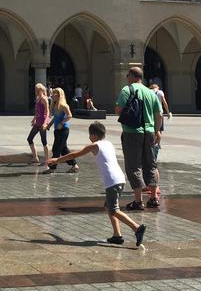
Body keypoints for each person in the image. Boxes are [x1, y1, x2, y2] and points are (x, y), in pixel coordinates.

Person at [47, 122, 146, 247]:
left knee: (113, 209)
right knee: (108, 206)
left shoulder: (94, 146)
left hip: (112, 181)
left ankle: (137, 228)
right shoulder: (109, 143)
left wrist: (57, 160)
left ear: (94, 135)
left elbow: (75, 155)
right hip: (120, 179)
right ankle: (117, 235)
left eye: (90, 135)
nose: (89, 138)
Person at [115, 66, 161, 211]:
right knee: (150, 164)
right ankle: (153, 198)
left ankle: (138, 201)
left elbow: (118, 110)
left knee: (134, 165)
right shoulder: (150, 92)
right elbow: (159, 114)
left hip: (131, 132)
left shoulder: (127, 90)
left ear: (132, 76)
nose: (126, 78)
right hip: (149, 132)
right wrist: (157, 130)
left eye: (127, 75)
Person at [44, 87, 77, 174]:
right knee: (64, 149)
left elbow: (70, 115)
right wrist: (49, 125)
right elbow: (55, 117)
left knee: (56, 149)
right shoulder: (55, 105)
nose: (52, 96)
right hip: (57, 130)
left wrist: (62, 123)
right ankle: (74, 165)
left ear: (59, 95)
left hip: (63, 130)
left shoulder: (63, 105)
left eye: (54, 94)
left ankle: (52, 168)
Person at [27, 83, 50, 166]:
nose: (35, 91)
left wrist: (45, 123)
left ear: (41, 90)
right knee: (29, 139)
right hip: (37, 122)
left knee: (44, 141)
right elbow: (37, 111)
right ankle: (35, 158)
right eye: (35, 90)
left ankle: (47, 160)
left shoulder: (44, 99)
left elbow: (47, 112)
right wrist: (34, 119)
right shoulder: (37, 99)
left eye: (37, 90)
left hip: (43, 122)